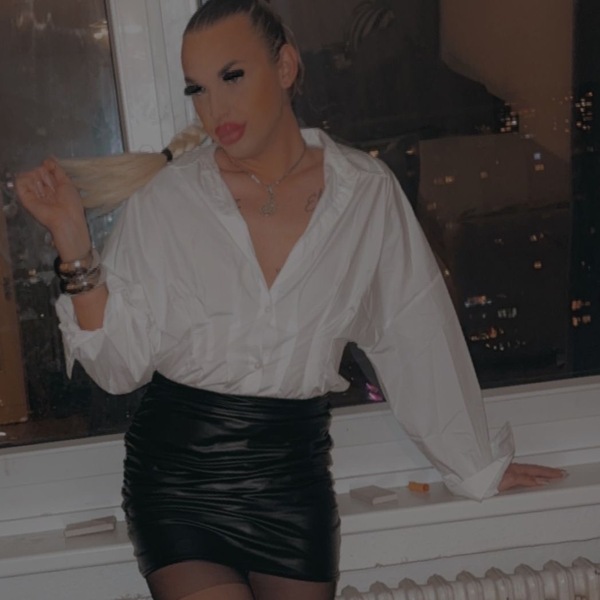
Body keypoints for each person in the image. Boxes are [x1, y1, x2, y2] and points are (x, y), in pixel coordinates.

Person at [15, 1, 565, 599]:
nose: (214, 107)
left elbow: (415, 332)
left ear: (285, 66)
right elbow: (118, 368)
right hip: (179, 482)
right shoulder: (167, 200)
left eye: (232, 76)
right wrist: (72, 238)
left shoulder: (365, 194)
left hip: (293, 482)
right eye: (197, 89)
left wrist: (476, 465)